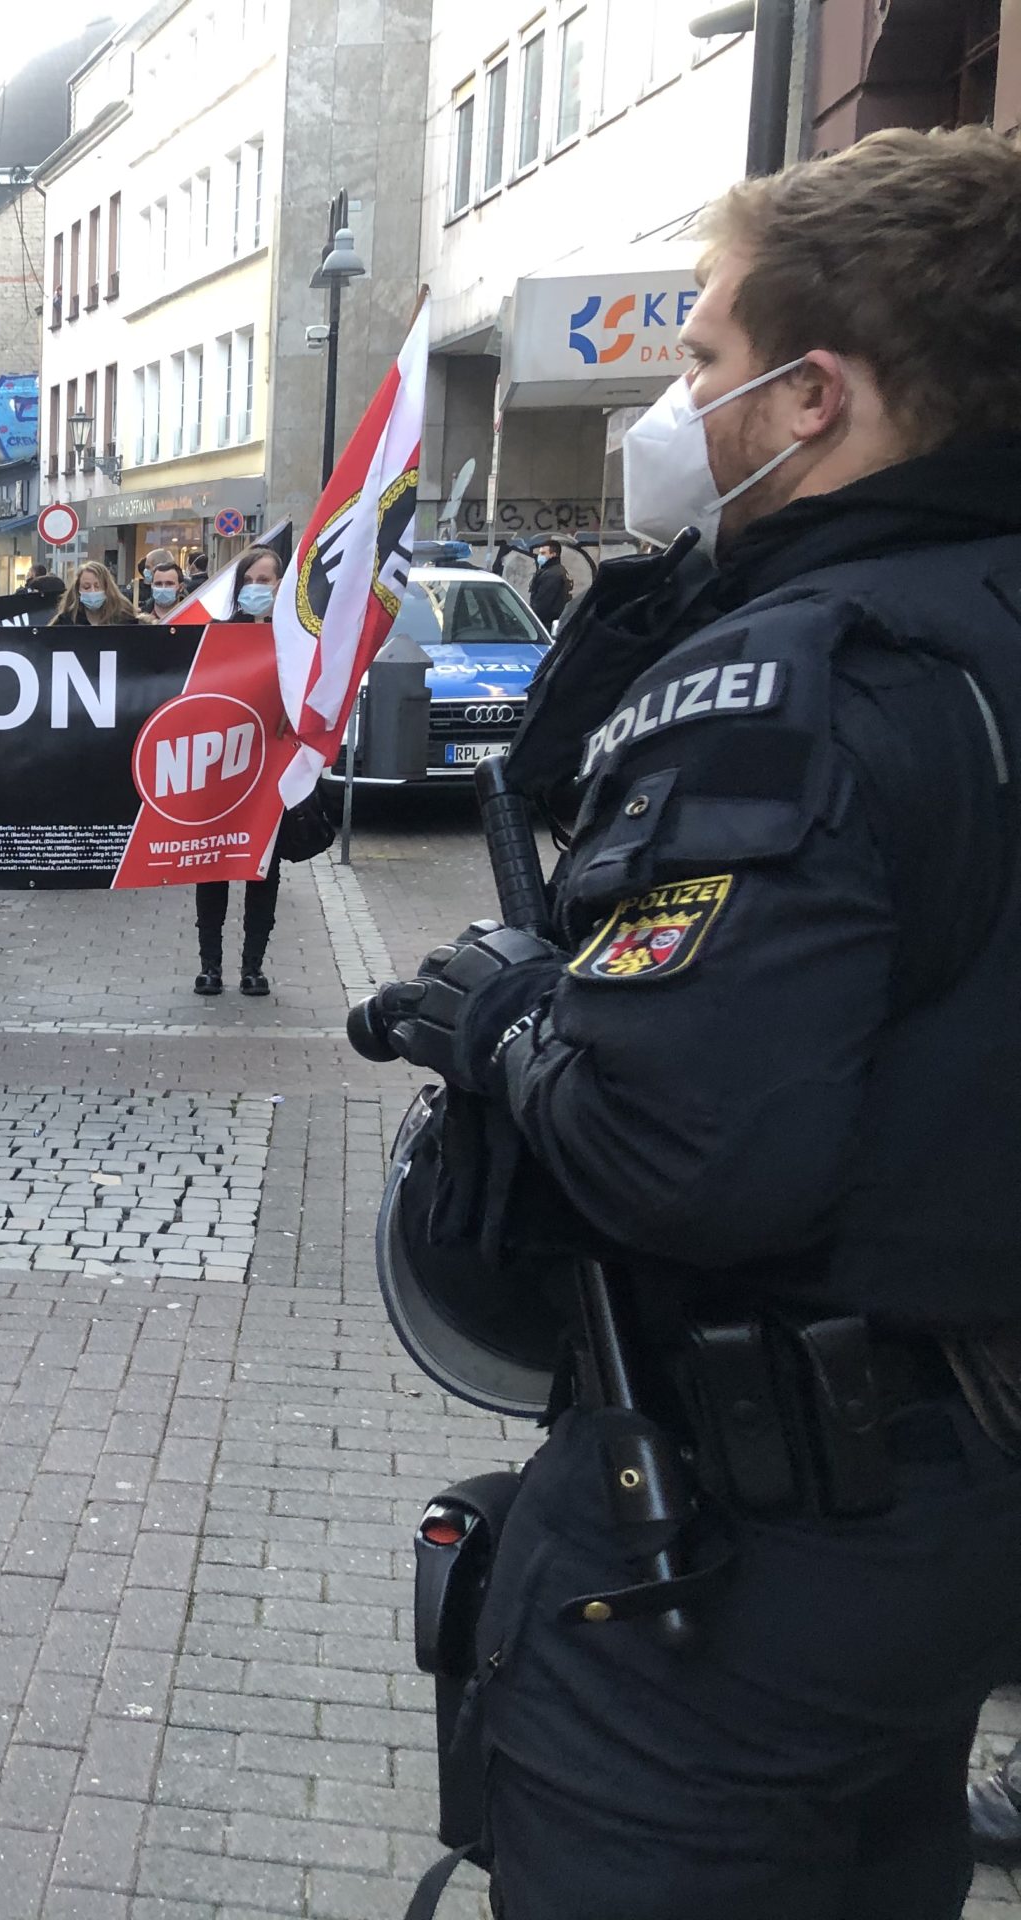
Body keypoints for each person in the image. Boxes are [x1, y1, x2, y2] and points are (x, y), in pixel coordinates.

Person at [366, 127, 1021, 1920]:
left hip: (761, 1540)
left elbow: (683, 1148)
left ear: (814, 396)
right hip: (953, 1505)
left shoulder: (806, 683)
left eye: (709, 357)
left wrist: (511, 1014)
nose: (680, 405)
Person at [193, 544, 287, 996]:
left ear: (280, 585)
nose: (255, 588)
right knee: (212, 866)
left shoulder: (294, 637)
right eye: (248, 581)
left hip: (271, 770)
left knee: (262, 871)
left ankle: (253, 966)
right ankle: (210, 966)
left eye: (263, 580)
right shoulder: (218, 634)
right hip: (222, 767)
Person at [50, 560, 142, 627]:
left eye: (98, 586)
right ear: (78, 590)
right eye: (86, 587)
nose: (92, 591)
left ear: (107, 588)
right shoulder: (65, 621)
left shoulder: (125, 618)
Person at [527, 536, 574, 630]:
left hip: (546, 624)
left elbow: (542, 604)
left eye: (543, 553)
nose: (539, 556)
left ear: (553, 554)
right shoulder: (558, 570)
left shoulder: (552, 574)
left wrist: (531, 622)